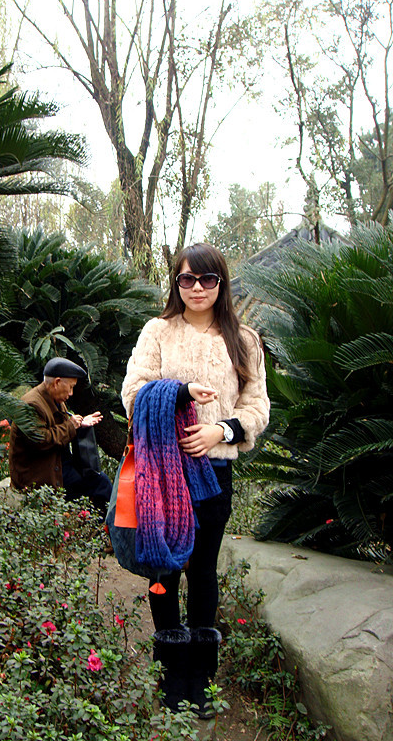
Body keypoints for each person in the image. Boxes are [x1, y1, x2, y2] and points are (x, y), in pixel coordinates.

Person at [121, 243, 270, 718]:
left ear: (221, 283)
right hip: (162, 473)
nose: (198, 288)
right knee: (164, 569)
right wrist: (180, 393)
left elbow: (256, 407)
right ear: (176, 284)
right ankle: (172, 676)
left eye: (207, 279)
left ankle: (202, 679)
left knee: (202, 571)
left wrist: (219, 430)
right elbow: (133, 392)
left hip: (215, 472)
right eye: (187, 279)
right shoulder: (158, 331)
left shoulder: (244, 340)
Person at [9, 357, 113, 514]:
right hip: (40, 475)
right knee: (99, 485)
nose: (71, 393)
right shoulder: (32, 404)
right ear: (57, 382)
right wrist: (71, 426)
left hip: (57, 464)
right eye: (70, 387)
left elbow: (63, 426)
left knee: (99, 480)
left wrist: (80, 423)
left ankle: (101, 523)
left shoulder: (54, 398)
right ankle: (105, 524)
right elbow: (41, 440)